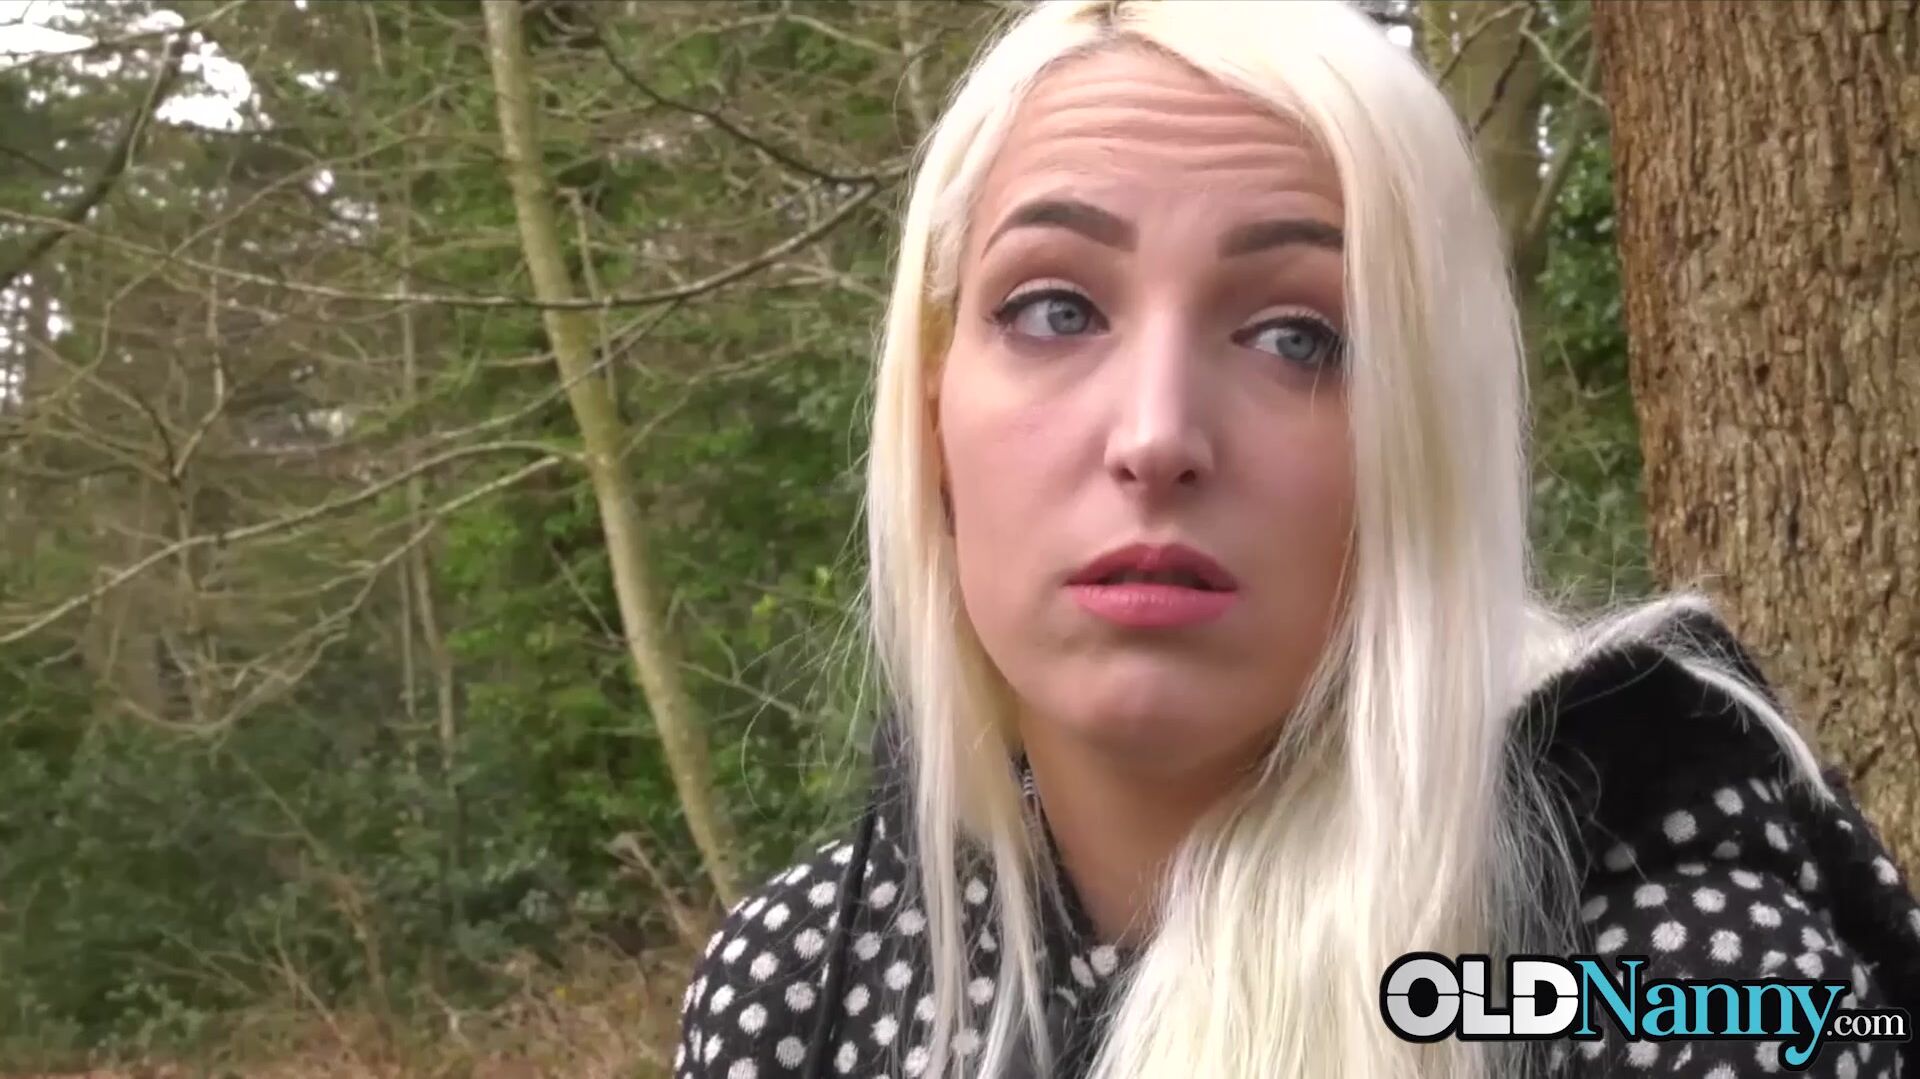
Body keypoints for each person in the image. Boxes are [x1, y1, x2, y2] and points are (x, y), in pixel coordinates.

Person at [672, 2, 1920, 1077]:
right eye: (1056, 309)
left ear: (1425, 443)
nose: (1157, 435)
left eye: (1299, 337)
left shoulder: (1670, 981)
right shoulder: (798, 989)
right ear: (933, 407)